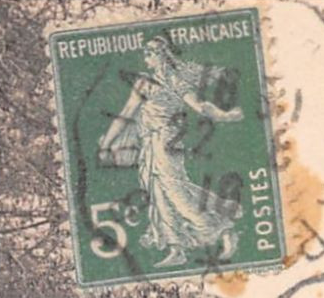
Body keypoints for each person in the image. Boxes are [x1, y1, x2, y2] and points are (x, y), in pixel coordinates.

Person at [96, 34, 245, 267]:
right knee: (159, 192)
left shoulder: (176, 80)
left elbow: (199, 106)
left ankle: (222, 229)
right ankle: (177, 248)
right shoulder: (144, 82)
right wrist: (106, 144)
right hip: (149, 143)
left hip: (168, 141)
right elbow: (126, 113)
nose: (146, 59)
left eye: (150, 53)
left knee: (176, 193)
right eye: (146, 54)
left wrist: (225, 115)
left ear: (162, 55)